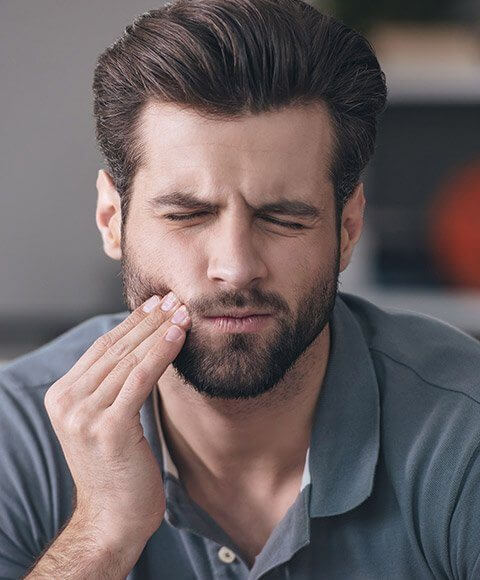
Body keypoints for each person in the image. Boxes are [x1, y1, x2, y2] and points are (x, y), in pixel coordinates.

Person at [1, 0, 479, 578]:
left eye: (283, 218)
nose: (234, 267)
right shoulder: (15, 436)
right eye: (186, 215)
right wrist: (101, 533)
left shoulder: (463, 433)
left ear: (348, 228)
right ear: (112, 220)